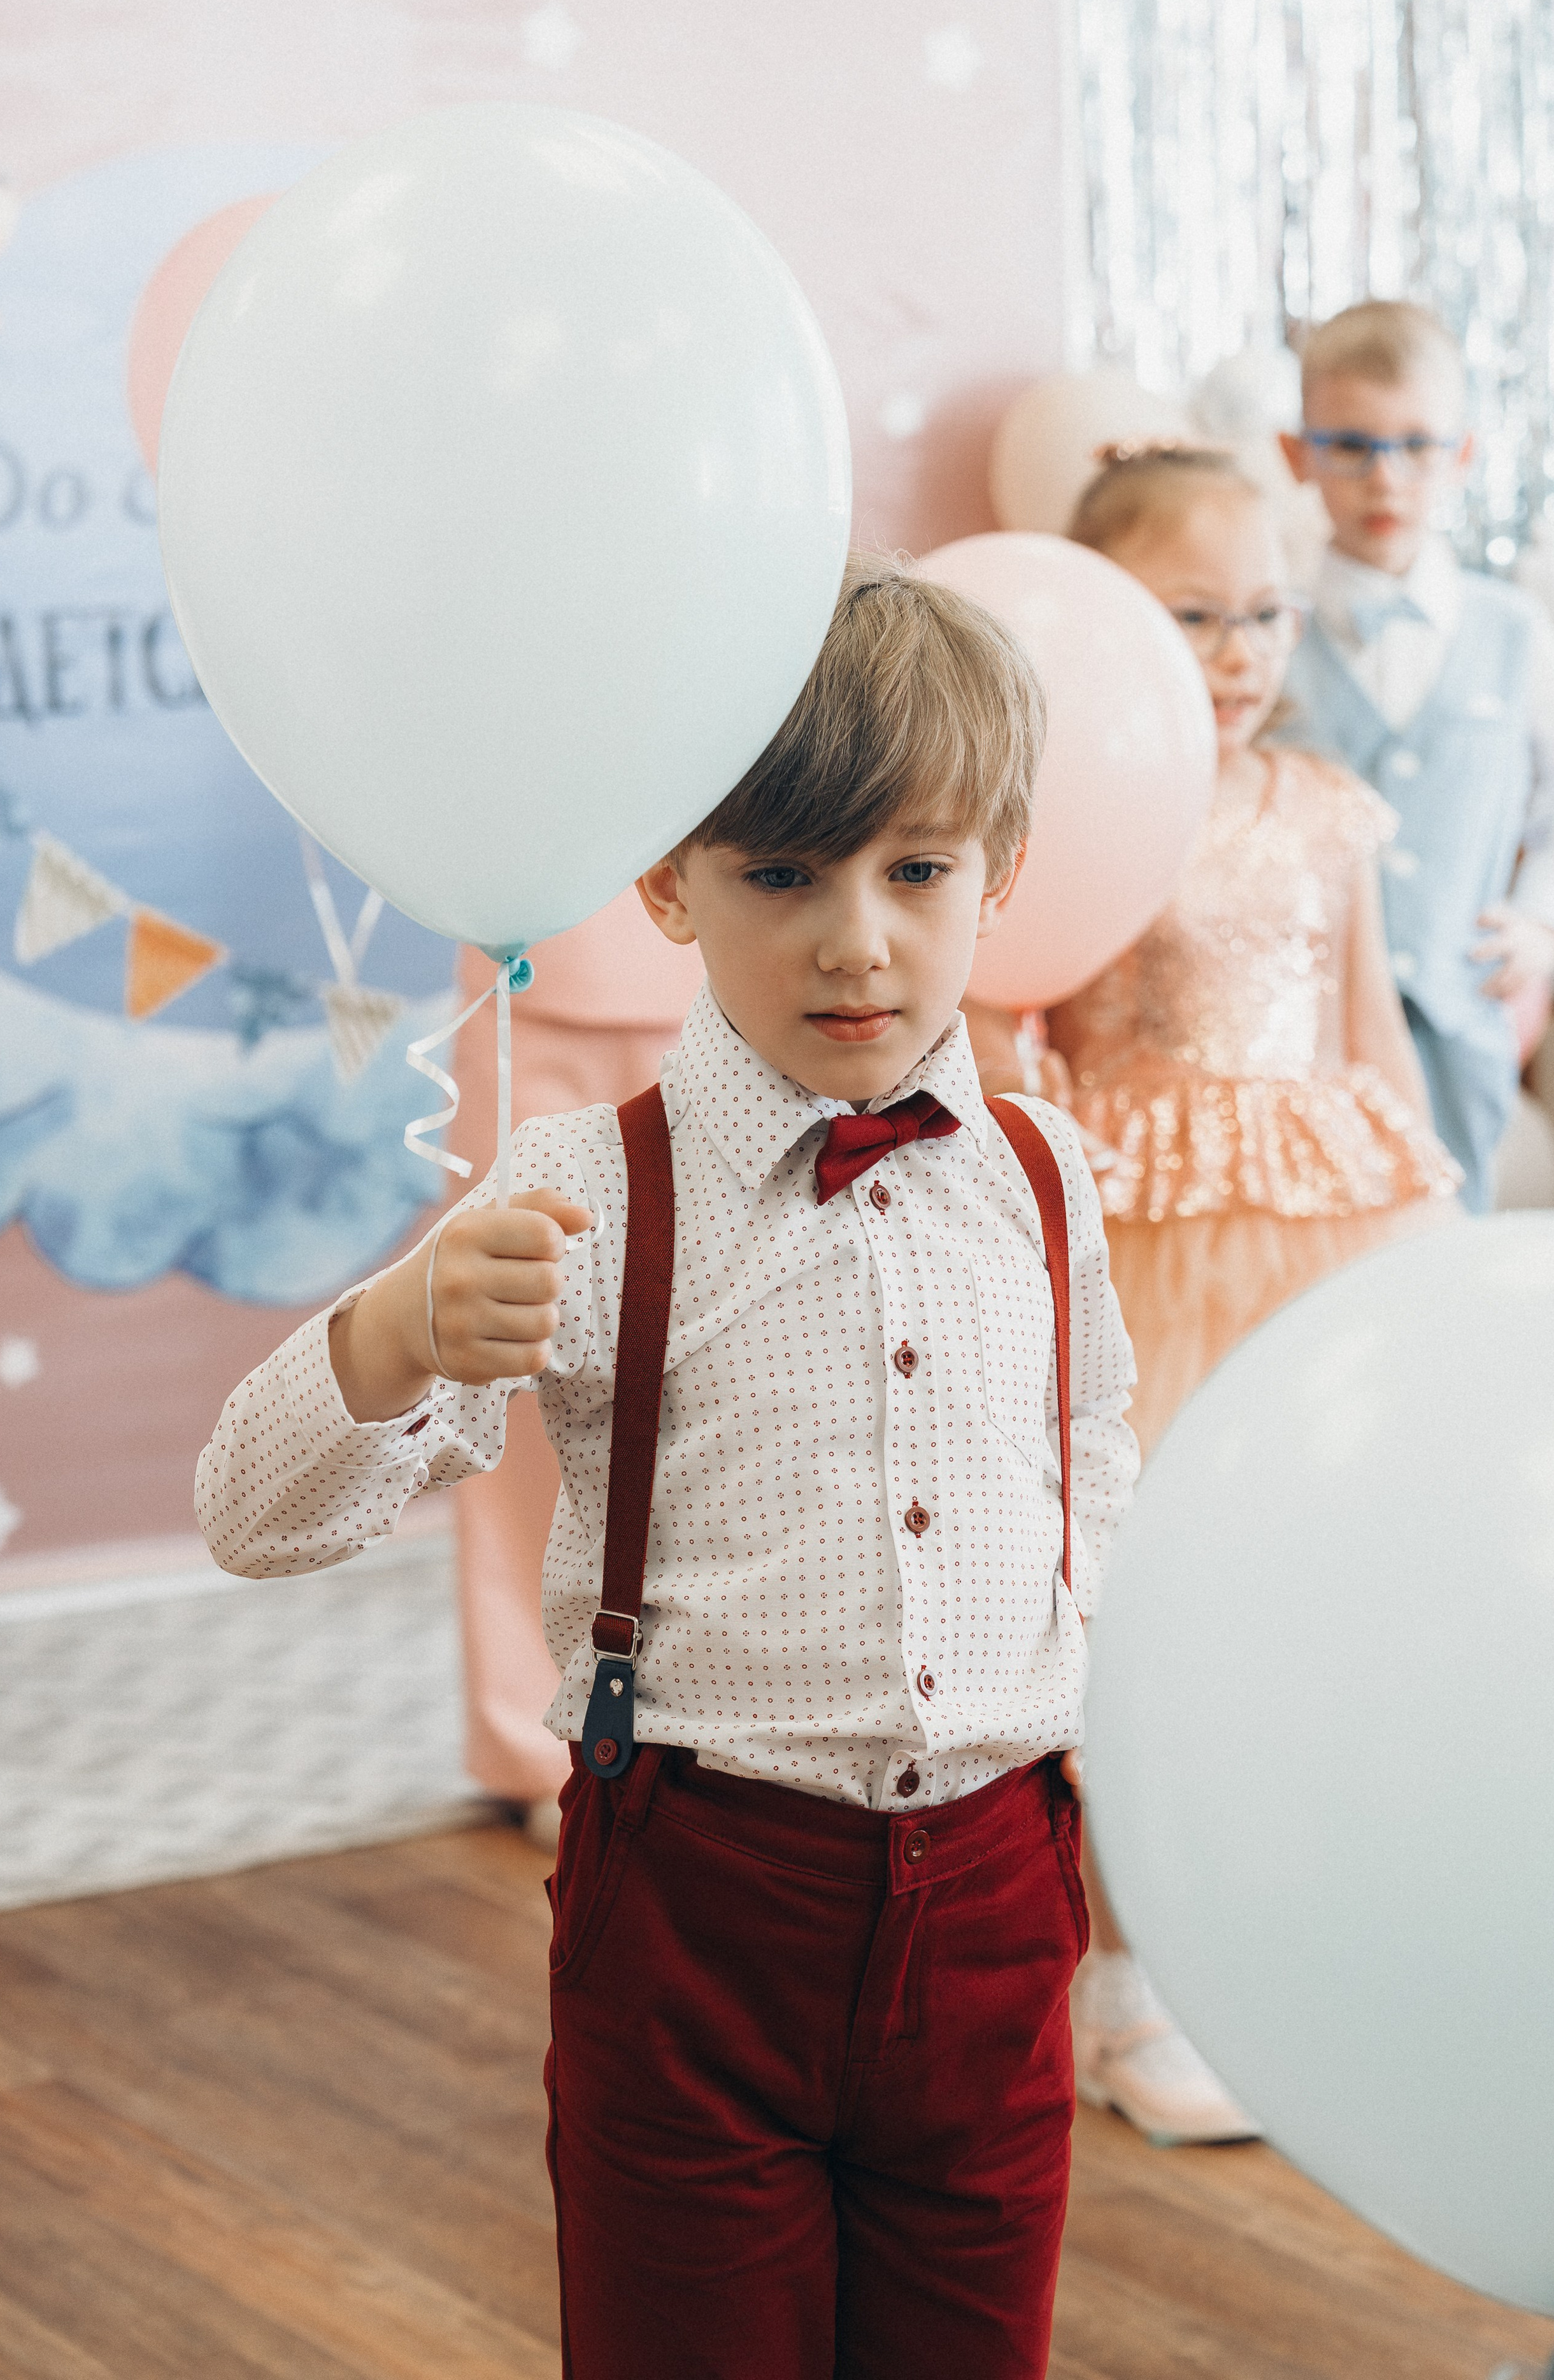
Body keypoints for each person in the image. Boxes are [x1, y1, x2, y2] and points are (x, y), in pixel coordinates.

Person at [196, 553, 1139, 2380]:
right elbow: (249, 1514)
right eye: (782, 875)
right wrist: (394, 1334)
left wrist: (1079, 1663)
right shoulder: (585, 1188)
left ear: (1002, 869)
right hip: (704, 1908)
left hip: (1000, 1905)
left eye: (916, 871)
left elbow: (1090, 1439)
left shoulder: (1046, 1171)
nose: (854, 940)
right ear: (665, 884)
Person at [1038, 443, 1458, 2146]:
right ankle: (1125, 1980)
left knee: (1307, 1603)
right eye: (1193, 615)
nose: (1238, 652)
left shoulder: (1325, 808)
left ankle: (1287, 1955)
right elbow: (1033, 1020)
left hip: (1324, 1241)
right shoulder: (1079, 806)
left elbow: (1373, 1043)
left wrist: (1438, 1258)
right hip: (1144, 1247)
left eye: (1266, 614)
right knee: (1141, 1608)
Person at [1277, 300, 1554, 1211]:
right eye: (1351, 446)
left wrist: (1538, 923)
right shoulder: (1269, 635)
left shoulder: (1517, 634)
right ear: (1298, 454)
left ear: (1462, 455)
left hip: (1458, 1021)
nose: (1384, 478)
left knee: (1451, 1246)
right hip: (1306, 1033)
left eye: (1416, 447)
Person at [447, 901, 701, 1842]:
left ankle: (702, 1722)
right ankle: (540, 1736)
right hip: (529, 977)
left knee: (721, 1377)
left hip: (737, 963)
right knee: (517, 1360)